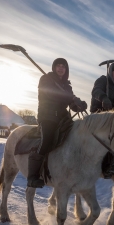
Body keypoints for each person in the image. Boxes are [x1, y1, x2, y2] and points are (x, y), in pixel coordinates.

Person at [27, 58, 87, 188]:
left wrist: (79, 105)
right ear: (54, 67)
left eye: (63, 66)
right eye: (58, 66)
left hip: (62, 118)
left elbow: (71, 104)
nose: (60, 68)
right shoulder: (46, 80)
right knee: (46, 140)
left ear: (66, 70)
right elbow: (52, 94)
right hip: (47, 116)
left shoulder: (67, 86)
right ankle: (32, 177)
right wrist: (70, 97)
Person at [90, 62, 114, 178]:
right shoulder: (102, 80)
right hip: (98, 113)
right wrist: (103, 98)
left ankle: (112, 163)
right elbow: (95, 91)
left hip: (111, 116)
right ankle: (102, 164)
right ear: (110, 72)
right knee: (107, 136)